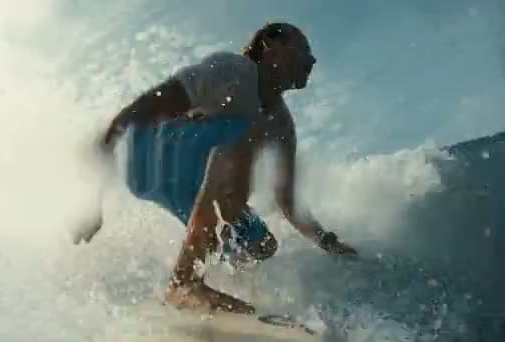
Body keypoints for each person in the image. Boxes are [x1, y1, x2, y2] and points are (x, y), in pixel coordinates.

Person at [77, 22, 358, 314]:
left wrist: (328, 241)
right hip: (151, 157)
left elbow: (285, 199)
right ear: (270, 47)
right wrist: (93, 204)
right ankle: (184, 283)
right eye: (303, 50)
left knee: (261, 244)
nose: (311, 61)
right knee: (241, 134)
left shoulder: (282, 125)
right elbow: (140, 110)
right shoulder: (230, 73)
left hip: (189, 188)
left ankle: (205, 300)